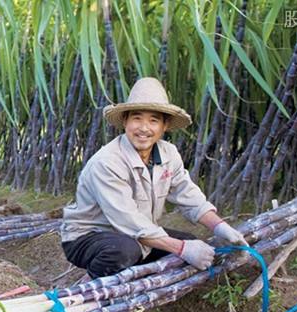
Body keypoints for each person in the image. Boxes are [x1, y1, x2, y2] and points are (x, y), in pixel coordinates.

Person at [60, 77, 247, 279]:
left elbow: (188, 195)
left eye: (153, 120)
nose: (144, 128)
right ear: (125, 121)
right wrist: (182, 248)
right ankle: (92, 285)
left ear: (164, 125)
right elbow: (128, 220)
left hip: (137, 233)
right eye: (137, 118)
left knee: (190, 240)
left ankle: (139, 282)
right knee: (125, 251)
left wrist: (220, 227)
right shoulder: (107, 162)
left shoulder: (169, 153)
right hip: (89, 236)